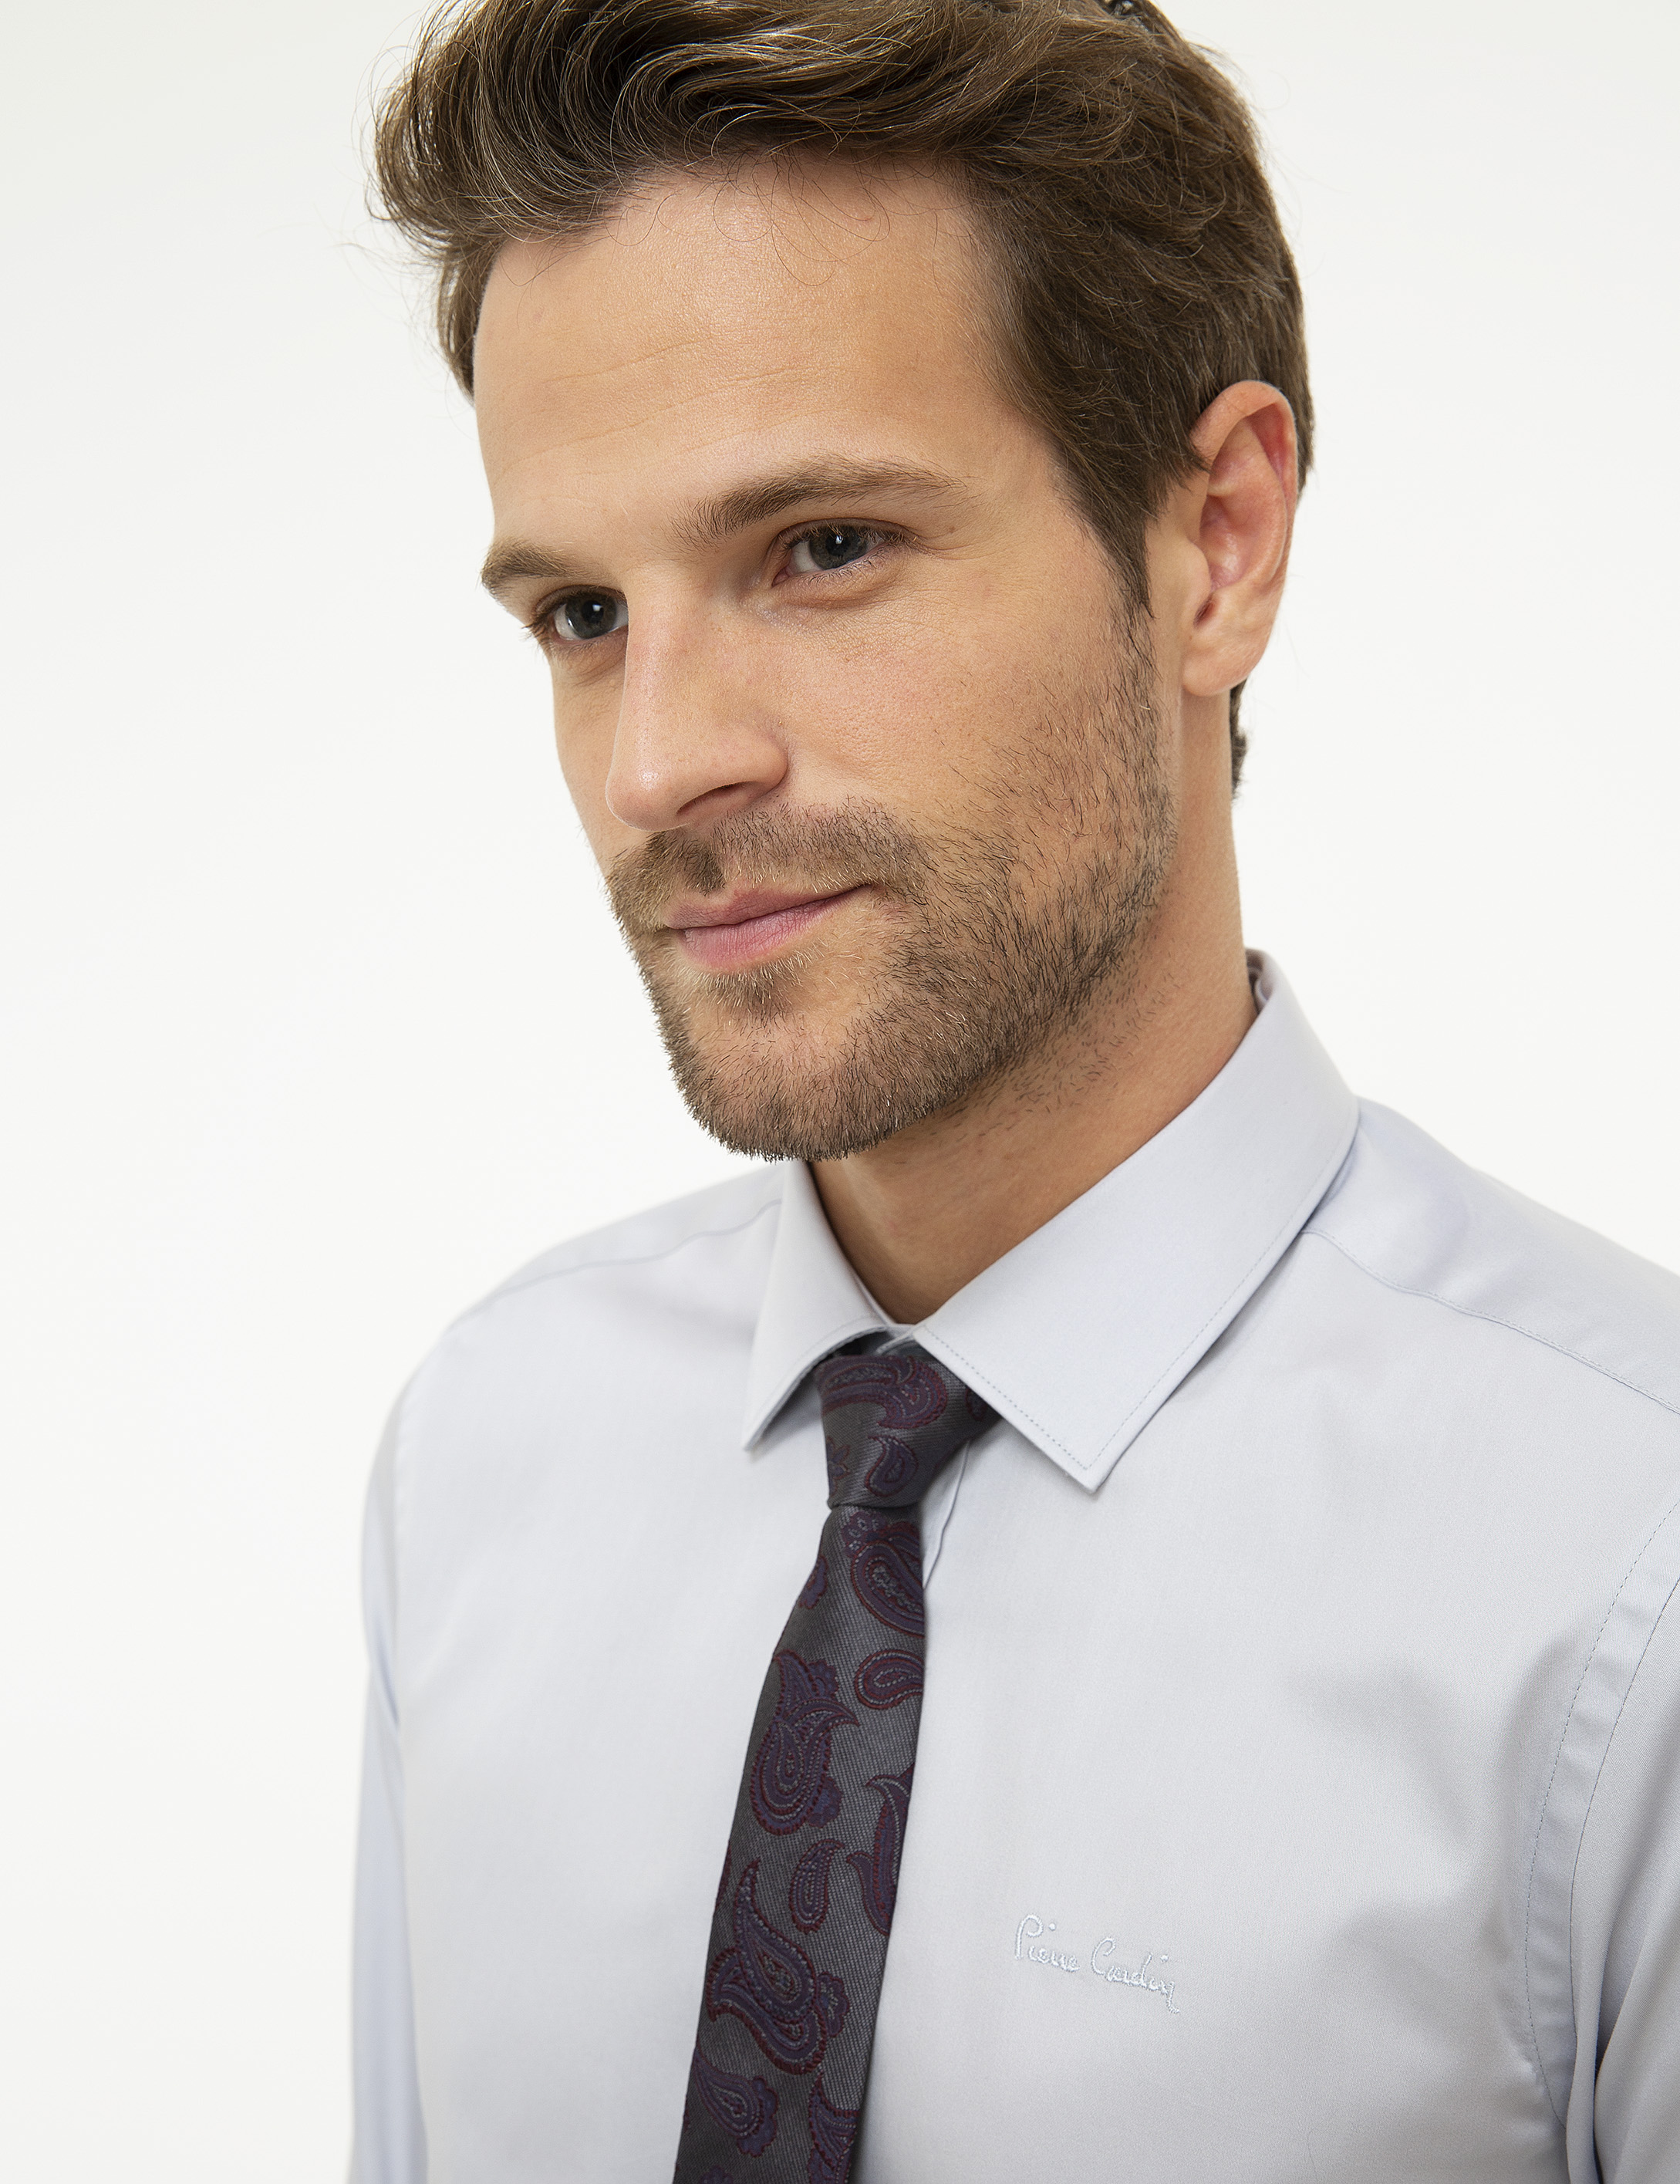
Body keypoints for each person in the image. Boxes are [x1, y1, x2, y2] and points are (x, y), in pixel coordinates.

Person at [351, 2, 1680, 2178]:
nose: (659, 761)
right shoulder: (488, 1459)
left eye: (823, 547)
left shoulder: (1629, 1573)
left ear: (1217, 542)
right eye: (582, 612)